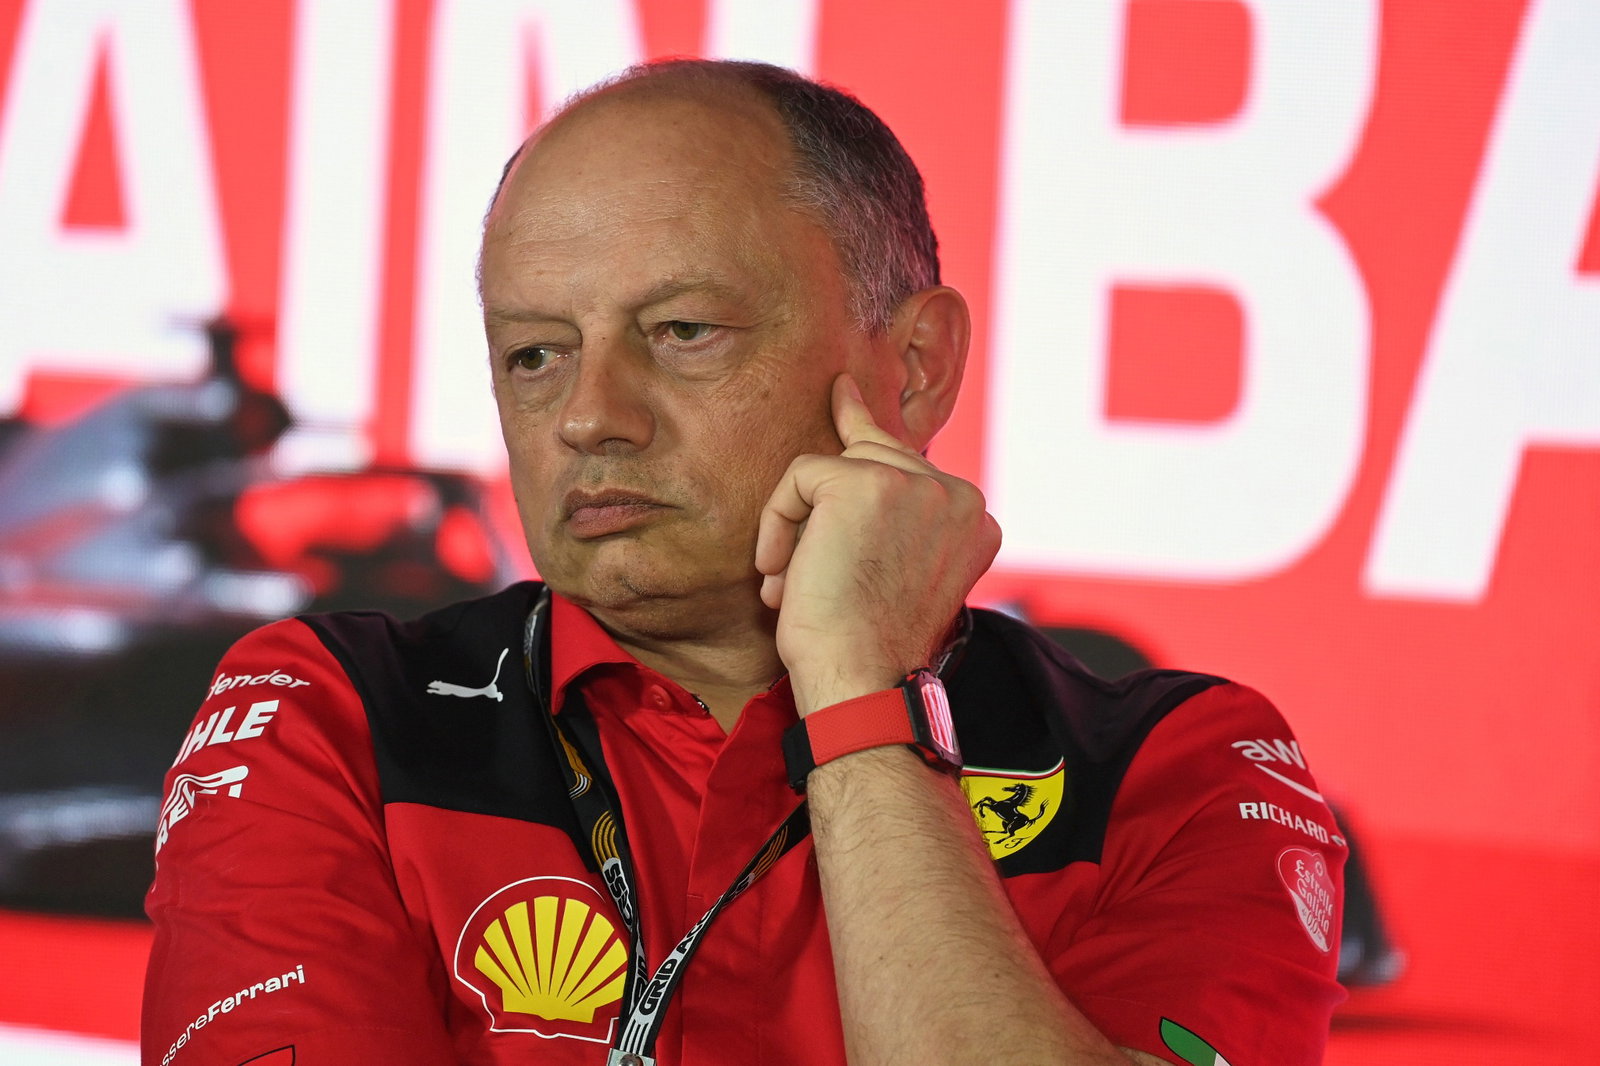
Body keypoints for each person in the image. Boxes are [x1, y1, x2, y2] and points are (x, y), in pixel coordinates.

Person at [141, 59, 1345, 1066]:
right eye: (535, 354)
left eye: (682, 332)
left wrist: (862, 695)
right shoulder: (331, 712)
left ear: (914, 364)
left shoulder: (1176, 768)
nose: (589, 417)